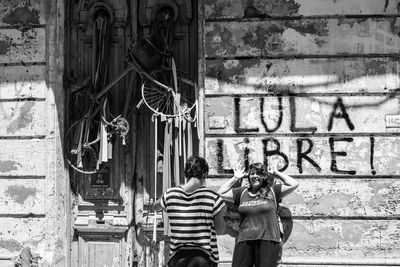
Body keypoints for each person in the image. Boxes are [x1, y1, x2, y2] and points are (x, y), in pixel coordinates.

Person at [218, 163, 299, 267]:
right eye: (252, 173)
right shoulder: (242, 192)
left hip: (268, 240)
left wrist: (277, 173)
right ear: (248, 176)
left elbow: (294, 184)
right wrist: (235, 178)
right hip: (244, 239)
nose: (255, 176)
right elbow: (220, 193)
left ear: (264, 176)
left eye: (259, 173)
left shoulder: (273, 191)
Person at [153, 156, 226, 267]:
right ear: (204, 174)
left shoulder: (170, 194)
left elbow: (155, 207)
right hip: (203, 258)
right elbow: (220, 230)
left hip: (178, 257)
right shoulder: (212, 196)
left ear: (186, 173)